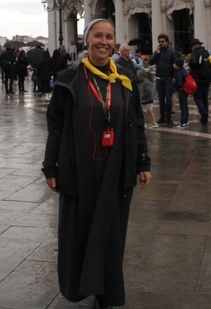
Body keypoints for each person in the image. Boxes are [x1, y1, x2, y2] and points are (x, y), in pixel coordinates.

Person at [42, 18, 151, 308]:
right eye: (98, 36)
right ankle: (82, 285)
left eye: (109, 37)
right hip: (80, 168)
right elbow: (55, 126)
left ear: (114, 43)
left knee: (110, 231)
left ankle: (107, 291)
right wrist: (50, 166)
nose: (104, 42)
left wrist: (143, 162)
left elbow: (136, 123)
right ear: (87, 41)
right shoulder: (69, 78)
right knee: (80, 229)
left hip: (115, 168)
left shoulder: (125, 78)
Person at [149, 33, 178, 127]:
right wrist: (156, 53)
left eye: (162, 41)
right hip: (159, 78)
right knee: (161, 98)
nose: (161, 43)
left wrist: (174, 77)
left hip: (168, 78)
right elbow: (150, 62)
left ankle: (169, 118)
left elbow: (175, 65)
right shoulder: (158, 51)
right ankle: (162, 117)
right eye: (159, 42)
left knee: (168, 98)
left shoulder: (172, 52)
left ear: (166, 42)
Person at [188, 38, 211, 125]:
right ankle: (205, 114)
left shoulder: (195, 53)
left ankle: (203, 112)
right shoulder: (207, 52)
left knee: (197, 97)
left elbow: (193, 63)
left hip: (198, 78)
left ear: (194, 46)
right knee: (205, 97)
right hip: (207, 78)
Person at [136, 63, 158, 128]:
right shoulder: (145, 81)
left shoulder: (145, 82)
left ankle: (154, 122)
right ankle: (144, 122)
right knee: (145, 111)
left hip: (147, 99)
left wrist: (143, 96)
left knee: (149, 111)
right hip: (147, 99)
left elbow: (148, 91)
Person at [172, 57, 190, 129]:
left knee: (183, 107)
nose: (173, 65)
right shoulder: (184, 71)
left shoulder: (179, 72)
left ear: (177, 65)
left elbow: (180, 82)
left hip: (181, 90)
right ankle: (185, 122)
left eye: (174, 63)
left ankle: (183, 123)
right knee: (185, 106)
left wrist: (176, 87)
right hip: (186, 90)